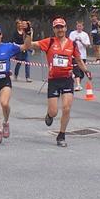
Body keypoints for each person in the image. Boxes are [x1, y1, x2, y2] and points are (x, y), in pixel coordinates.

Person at [23, 17, 91, 147]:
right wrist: (28, 33)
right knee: (54, 112)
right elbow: (29, 45)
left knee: (66, 108)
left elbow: (79, 60)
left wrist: (86, 71)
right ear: (54, 29)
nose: (60, 29)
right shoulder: (49, 42)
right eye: (57, 27)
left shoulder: (72, 44)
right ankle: (49, 115)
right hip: (54, 80)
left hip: (67, 80)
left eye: (62, 27)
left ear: (65, 28)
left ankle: (61, 135)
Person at [69, 20, 91, 88]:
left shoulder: (85, 34)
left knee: (82, 72)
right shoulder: (72, 33)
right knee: (76, 69)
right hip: (74, 55)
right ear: (76, 26)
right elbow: (69, 43)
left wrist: (81, 42)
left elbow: (87, 45)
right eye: (78, 26)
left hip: (82, 55)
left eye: (80, 26)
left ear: (82, 27)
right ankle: (78, 84)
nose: (79, 27)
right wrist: (74, 41)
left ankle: (79, 83)